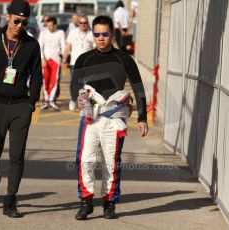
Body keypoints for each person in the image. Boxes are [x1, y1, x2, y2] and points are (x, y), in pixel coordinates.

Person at [70, 15, 148, 220]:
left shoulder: (124, 59)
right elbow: (73, 86)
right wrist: (76, 99)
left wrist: (143, 118)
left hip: (114, 119)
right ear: (92, 35)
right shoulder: (84, 59)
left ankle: (109, 203)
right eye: (97, 34)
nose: (101, 38)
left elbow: (138, 88)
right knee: (85, 159)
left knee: (111, 162)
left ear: (111, 34)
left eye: (105, 34)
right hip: (90, 118)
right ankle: (86, 202)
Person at [0, 0, 42, 218]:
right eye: (16, 20)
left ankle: (10, 200)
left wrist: (31, 102)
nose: (20, 25)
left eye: (24, 21)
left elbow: (38, 76)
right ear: (8, 17)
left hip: (21, 106)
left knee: (17, 156)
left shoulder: (32, 45)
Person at [64, 15, 94, 111]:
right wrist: (64, 58)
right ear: (78, 23)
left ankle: (84, 102)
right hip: (75, 63)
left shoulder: (91, 34)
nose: (83, 25)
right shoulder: (73, 33)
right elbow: (68, 46)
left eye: (85, 23)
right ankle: (73, 100)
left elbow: (95, 48)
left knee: (85, 84)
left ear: (87, 23)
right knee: (75, 84)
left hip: (87, 64)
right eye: (81, 23)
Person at [38, 16, 65, 111]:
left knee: (55, 80)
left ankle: (52, 101)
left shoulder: (60, 32)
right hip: (45, 60)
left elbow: (63, 45)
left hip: (56, 60)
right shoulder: (43, 33)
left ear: (55, 25)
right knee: (46, 80)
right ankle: (45, 100)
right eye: (47, 25)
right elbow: (40, 47)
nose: (48, 27)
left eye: (50, 25)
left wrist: (62, 57)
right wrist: (42, 59)